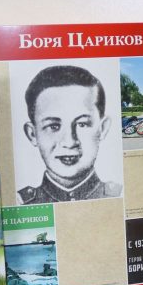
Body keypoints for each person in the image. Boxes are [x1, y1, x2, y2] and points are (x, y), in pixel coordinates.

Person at [18, 65, 121, 204]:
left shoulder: (119, 196)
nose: (70, 142)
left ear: (102, 128)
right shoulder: (20, 203)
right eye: (53, 126)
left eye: (82, 124)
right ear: (32, 134)